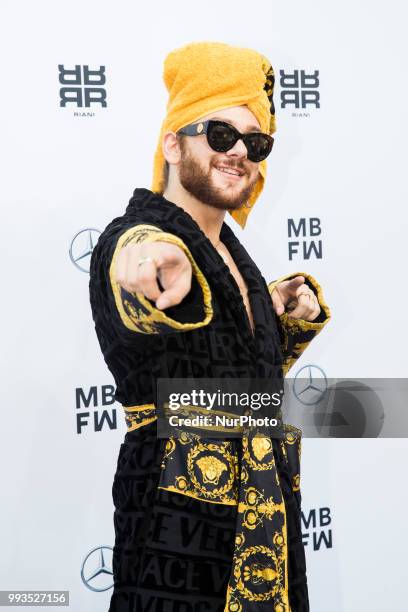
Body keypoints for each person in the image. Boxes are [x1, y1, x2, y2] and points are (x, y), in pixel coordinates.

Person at [89, 41, 331, 612]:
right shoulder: (144, 235)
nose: (239, 152)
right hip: (179, 531)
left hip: (267, 520)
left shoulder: (232, 256)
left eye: (256, 142)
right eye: (220, 134)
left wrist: (273, 313)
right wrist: (146, 262)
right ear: (173, 143)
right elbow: (134, 260)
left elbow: (230, 378)